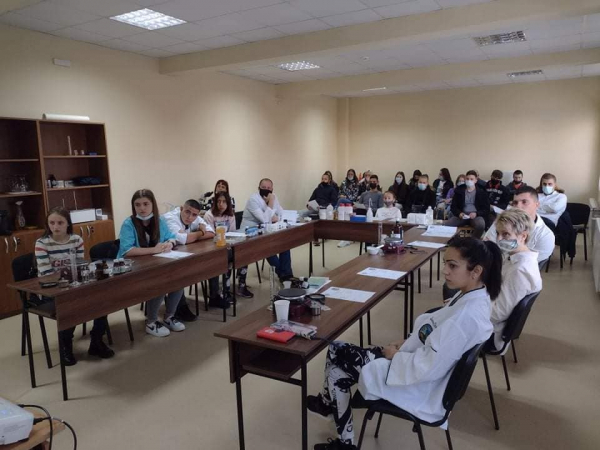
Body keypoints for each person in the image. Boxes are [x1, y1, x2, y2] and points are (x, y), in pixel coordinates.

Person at [308, 236, 500, 450]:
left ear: (476, 271)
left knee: (336, 359)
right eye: (445, 263)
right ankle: (330, 410)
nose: (445, 270)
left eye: (452, 265)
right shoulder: (474, 296)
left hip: (417, 383)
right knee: (336, 358)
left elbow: (427, 367)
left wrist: (396, 355)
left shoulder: (465, 317)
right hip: (415, 363)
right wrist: (408, 341)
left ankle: (334, 419)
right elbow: (435, 333)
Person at [35, 207, 113, 365]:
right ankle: (65, 346)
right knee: (72, 305)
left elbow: (79, 267)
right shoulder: (42, 243)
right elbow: (46, 274)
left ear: (68, 224)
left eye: (60, 223)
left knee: (102, 300)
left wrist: (73, 277)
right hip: (51, 289)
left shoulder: (76, 240)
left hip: (74, 285)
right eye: (52, 223)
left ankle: (96, 340)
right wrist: (68, 277)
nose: (55, 226)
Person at [117, 189, 186, 337]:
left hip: (155, 265)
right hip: (133, 268)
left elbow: (171, 237)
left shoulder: (159, 221)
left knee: (179, 279)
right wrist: (154, 250)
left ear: (152, 204)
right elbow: (127, 251)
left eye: (145, 204)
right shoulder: (128, 224)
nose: (142, 208)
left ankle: (169, 317)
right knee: (159, 283)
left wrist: (169, 243)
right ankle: (151, 322)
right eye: (137, 205)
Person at [162, 199, 230, 313]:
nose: (190, 217)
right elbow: (182, 239)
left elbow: (212, 233)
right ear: (181, 208)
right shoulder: (170, 218)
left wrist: (191, 236)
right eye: (187, 212)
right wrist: (200, 232)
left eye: (194, 215)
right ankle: (180, 306)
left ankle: (214, 296)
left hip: (183, 251)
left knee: (213, 260)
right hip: (164, 255)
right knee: (179, 269)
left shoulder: (196, 217)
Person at [489, 209, 542, 351]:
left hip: (491, 333)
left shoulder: (520, 270)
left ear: (523, 236)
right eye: (498, 233)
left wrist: (467, 306)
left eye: (506, 234)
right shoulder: (514, 257)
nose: (499, 239)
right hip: (489, 311)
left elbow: (497, 314)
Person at [241, 178, 293, 281]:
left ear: (272, 189)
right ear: (258, 188)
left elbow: (281, 213)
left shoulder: (273, 196)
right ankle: (284, 275)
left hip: (266, 230)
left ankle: (287, 274)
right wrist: (271, 202)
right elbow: (265, 219)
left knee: (285, 242)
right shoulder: (253, 199)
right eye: (263, 187)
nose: (266, 190)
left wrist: (276, 217)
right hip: (250, 233)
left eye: (269, 188)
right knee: (267, 246)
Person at [484, 186, 554, 262]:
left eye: (524, 202)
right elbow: (487, 246)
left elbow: (530, 263)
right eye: (515, 203)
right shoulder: (502, 221)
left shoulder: (546, 236)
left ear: (537, 205)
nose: (518, 206)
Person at [204, 192, 254, 298]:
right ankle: (225, 291)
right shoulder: (209, 215)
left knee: (244, 254)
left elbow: (232, 233)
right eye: (218, 201)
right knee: (228, 257)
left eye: (224, 202)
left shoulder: (230, 215)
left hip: (228, 244)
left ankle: (241, 286)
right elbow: (210, 235)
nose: (221, 204)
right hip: (214, 247)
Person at [446, 170, 490, 238]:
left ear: (476, 180)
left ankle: (473, 241)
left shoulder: (482, 192)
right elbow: (453, 206)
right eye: (467, 179)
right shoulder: (459, 190)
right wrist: (459, 213)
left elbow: (486, 209)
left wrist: (476, 214)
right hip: (462, 215)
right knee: (448, 224)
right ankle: (453, 241)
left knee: (481, 225)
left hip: (476, 215)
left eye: (471, 179)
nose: (469, 181)